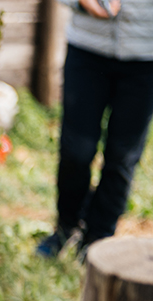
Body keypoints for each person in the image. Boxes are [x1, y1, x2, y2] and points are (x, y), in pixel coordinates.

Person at [37, 0, 153, 259]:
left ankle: (99, 239)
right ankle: (67, 227)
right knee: (76, 151)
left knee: (122, 157)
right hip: (87, 50)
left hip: (145, 58)